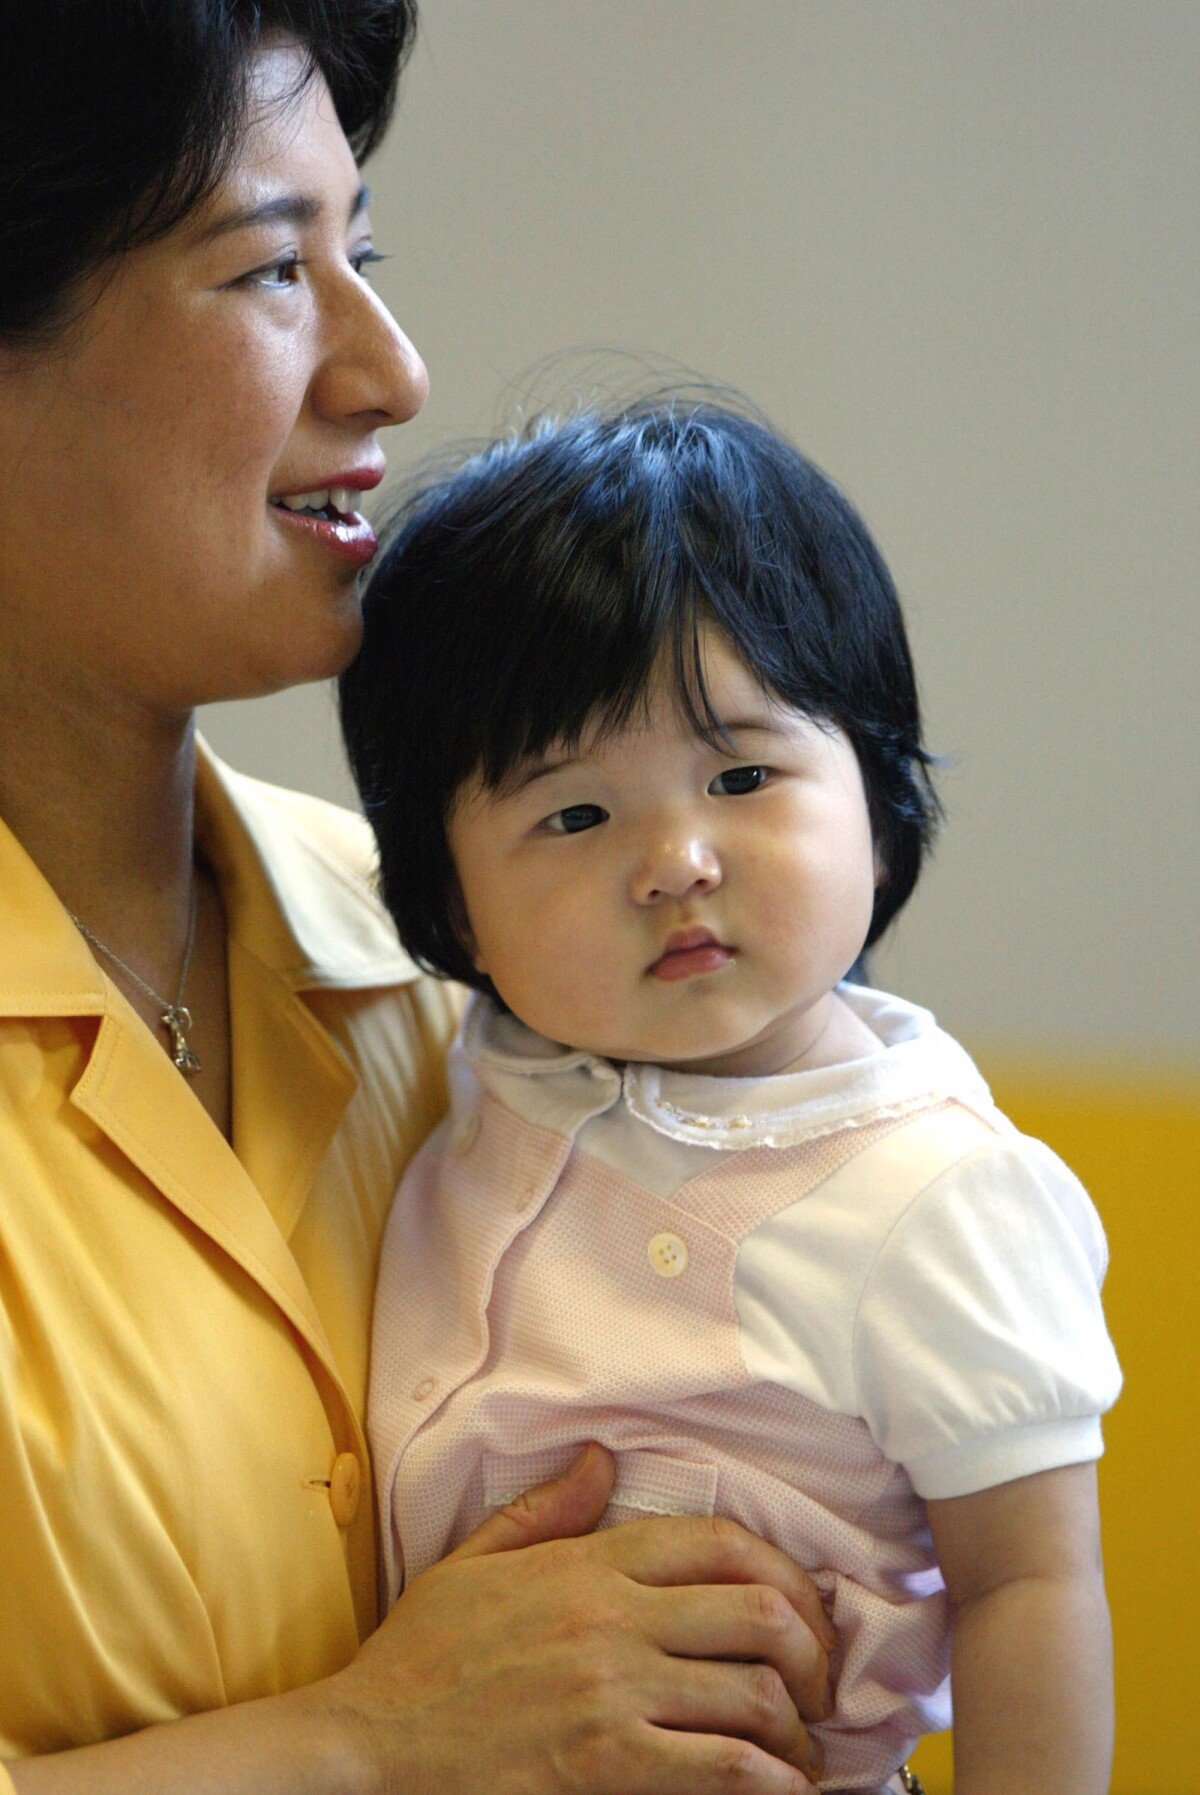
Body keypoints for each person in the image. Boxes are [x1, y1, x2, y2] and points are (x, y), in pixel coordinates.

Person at [0, 9, 840, 1793]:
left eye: (360, 252)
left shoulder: (450, 942)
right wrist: (370, 1746)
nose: (387, 369)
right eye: (269, 272)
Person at [338, 399, 1124, 1795]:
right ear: (446, 901)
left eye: (745, 774)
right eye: (574, 815)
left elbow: (1032, 1591)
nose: (675, 861)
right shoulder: (481, 1065)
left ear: (878, 803)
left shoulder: (932, 1193)